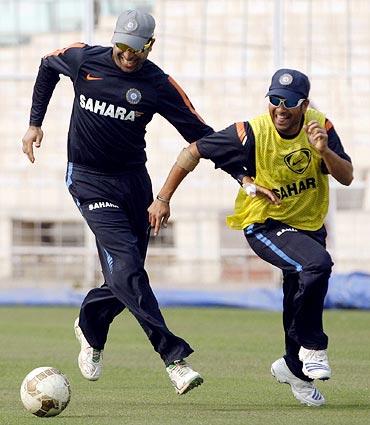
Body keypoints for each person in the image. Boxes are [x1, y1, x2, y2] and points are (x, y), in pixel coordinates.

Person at [21, 9, 215, 395]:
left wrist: (243, 174)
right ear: (113, 41)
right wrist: (34, 122)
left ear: (150, 46)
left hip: (133, 186)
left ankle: (90, 326)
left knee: (126, 275)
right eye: (122, 47)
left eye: (136, 50)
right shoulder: (85, 58)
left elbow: (201, 135)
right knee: (127, 268)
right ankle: (174, 358)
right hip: (89, 182)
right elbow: (47, 66)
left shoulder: (158, 84)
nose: (128, 56)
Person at [148, 68, 353, 406]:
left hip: (309, 226)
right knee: (317, 265)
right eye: (274, 100)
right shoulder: (250, 132)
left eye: (288, 103)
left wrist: (324, 152)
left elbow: (346, 176)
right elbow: (192, 152)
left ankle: (294, 369)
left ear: (304, 105)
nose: (280, 109)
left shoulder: (321, 127)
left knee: (298, 290)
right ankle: (313, 346)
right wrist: (163, 198)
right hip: (265, 224)